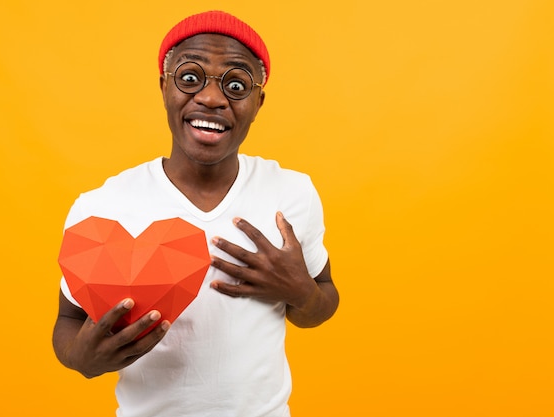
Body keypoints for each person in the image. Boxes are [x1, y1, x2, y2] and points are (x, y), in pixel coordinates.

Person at [52, 10, 339, 417]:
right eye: (190, 78)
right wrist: (81, 359)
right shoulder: (103, 206)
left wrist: (301, 293)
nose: (211, 98)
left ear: (258, 102)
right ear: (164, 87)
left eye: (236, 85)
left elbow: (322, 303)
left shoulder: (291, 193)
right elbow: (68, 321)